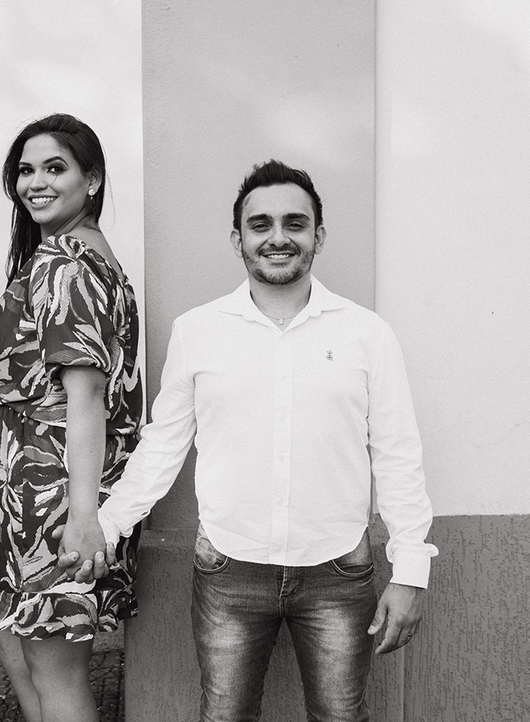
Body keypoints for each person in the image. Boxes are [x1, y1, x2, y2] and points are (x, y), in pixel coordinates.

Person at [62, 159, 437, 721]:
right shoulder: (198, 330)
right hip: (229, 569)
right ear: (238, 239)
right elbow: (164, 445)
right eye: (260, 225)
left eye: (294, 223)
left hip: (337, 569)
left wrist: (410, 571)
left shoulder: (366, 334)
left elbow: (397, 454)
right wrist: (107, 524)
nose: (278, 237)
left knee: (341, 717)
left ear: (318, 236)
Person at [0, 113, 142, 722]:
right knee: (13, 639)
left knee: (55, 667)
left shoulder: (68, 264)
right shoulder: (67, 256)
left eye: (55, 167)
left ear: (91, 180)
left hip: (57, 494)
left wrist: (83, 516)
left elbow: (87, 395)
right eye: (26, 170)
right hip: (27, 490)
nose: (36, 182)